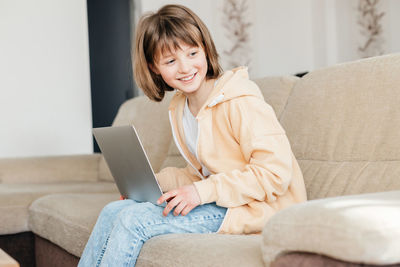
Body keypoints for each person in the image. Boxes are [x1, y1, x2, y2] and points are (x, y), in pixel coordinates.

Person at [78, 4, 307, 267]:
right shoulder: (181, 108)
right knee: (113, 211)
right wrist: (156, 183)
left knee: (133, 221)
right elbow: (202, 173)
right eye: (171, 61)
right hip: (224, 199)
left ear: (206, 50)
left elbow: (275, 173)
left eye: (192, 53)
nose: (185, 67)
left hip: (257, 209)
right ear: (154, 67)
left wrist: (200, 192)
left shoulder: (240, 100)